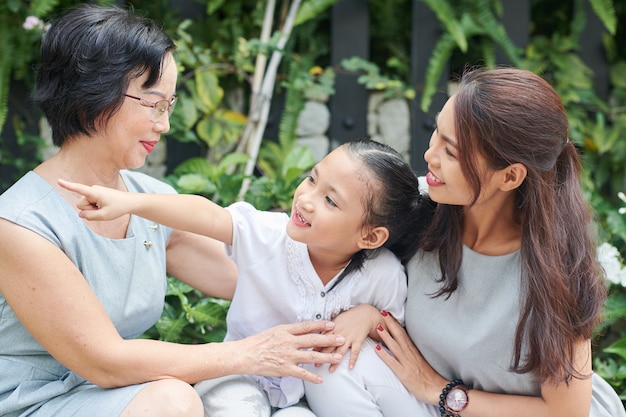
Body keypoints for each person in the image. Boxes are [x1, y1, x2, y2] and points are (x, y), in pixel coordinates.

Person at [0, 5, 347, 417]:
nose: (164, 125)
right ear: (90, 98)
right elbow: (105, 361)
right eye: (152, 104)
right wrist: (248, 354)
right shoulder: (20, 224)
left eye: (169, 105)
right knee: (172, 400)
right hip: (32, 403)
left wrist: (361, 304)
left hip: (112, 395)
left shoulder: (149, 200)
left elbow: (259, 278)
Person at [306, 67, 626, 417]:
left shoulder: (556, 267)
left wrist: (441, 391)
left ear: (510, 176)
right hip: (436, 406)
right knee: (329, 366)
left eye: (452, 152)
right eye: (436, 133)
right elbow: (318, 234)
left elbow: (567, 412)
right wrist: (370, 316)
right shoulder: (425, 207)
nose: (430, 155)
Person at [58, 137, 432, 417]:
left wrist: (367, 316)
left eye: (331, 200)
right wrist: (131, 203)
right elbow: (205, 214)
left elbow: (394, 337)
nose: (305, 198)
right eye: (311, 179)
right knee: (232, 408)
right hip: (241, 373)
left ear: (370, 236)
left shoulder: (381, 274)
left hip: (308, 394)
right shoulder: (267, 234)